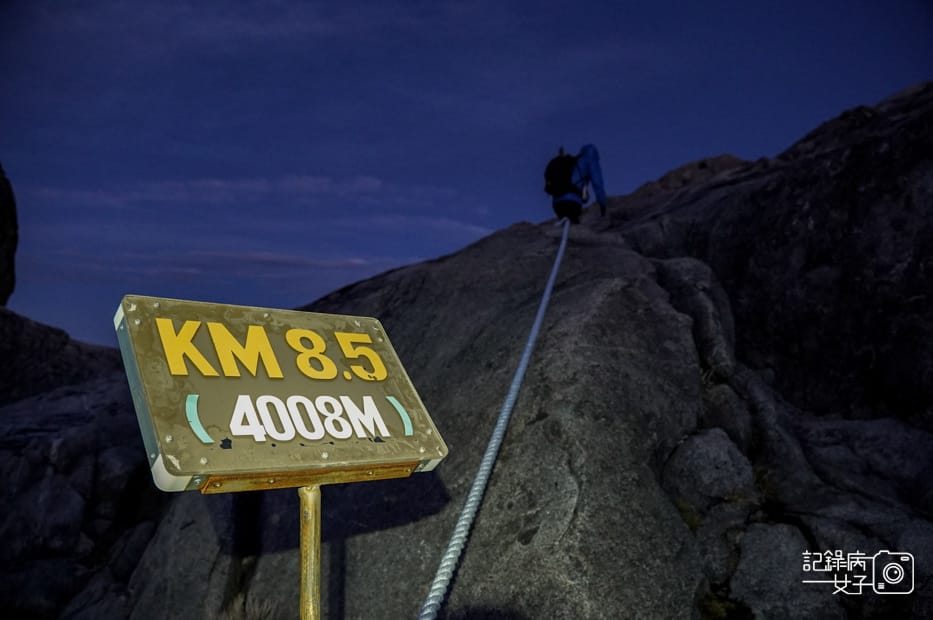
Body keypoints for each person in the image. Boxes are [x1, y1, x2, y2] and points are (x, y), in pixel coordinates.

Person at [544, 144, 607, 224]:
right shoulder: (590, 160)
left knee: (565, 224)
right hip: (573, 202)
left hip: (557, 201)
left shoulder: (574, 161)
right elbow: (597, 183)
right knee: (573, 227)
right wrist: (602, 204)